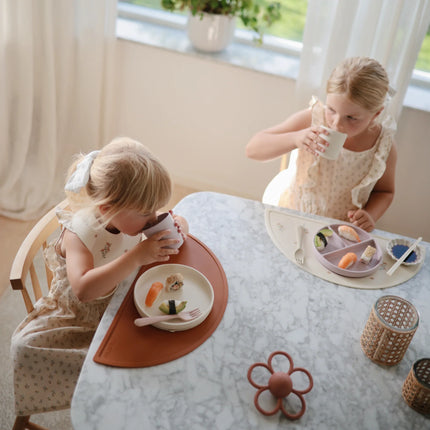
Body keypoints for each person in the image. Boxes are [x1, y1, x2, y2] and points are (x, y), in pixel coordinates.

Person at [10, 137, 189, 417]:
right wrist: (137, 256)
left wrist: (178, 227)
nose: (153, 217)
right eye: (145, 213)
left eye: (154, 209)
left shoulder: (128, 220)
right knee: (130, 367)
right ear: (108, 209)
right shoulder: (79, 231)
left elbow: (161, 225)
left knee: (171, 343)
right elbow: (83, 289)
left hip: (120, 301)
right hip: (79, 316)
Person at [246, 57, 397, 232]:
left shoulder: (383, 146)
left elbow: (385, 192)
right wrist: (295, 138)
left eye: (351, 118)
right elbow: (253, 149)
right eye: (332, 110)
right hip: (293, 216)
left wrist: (370, 215)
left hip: (338, 232)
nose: (336, 124)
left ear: (376, 114)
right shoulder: (313, 119)